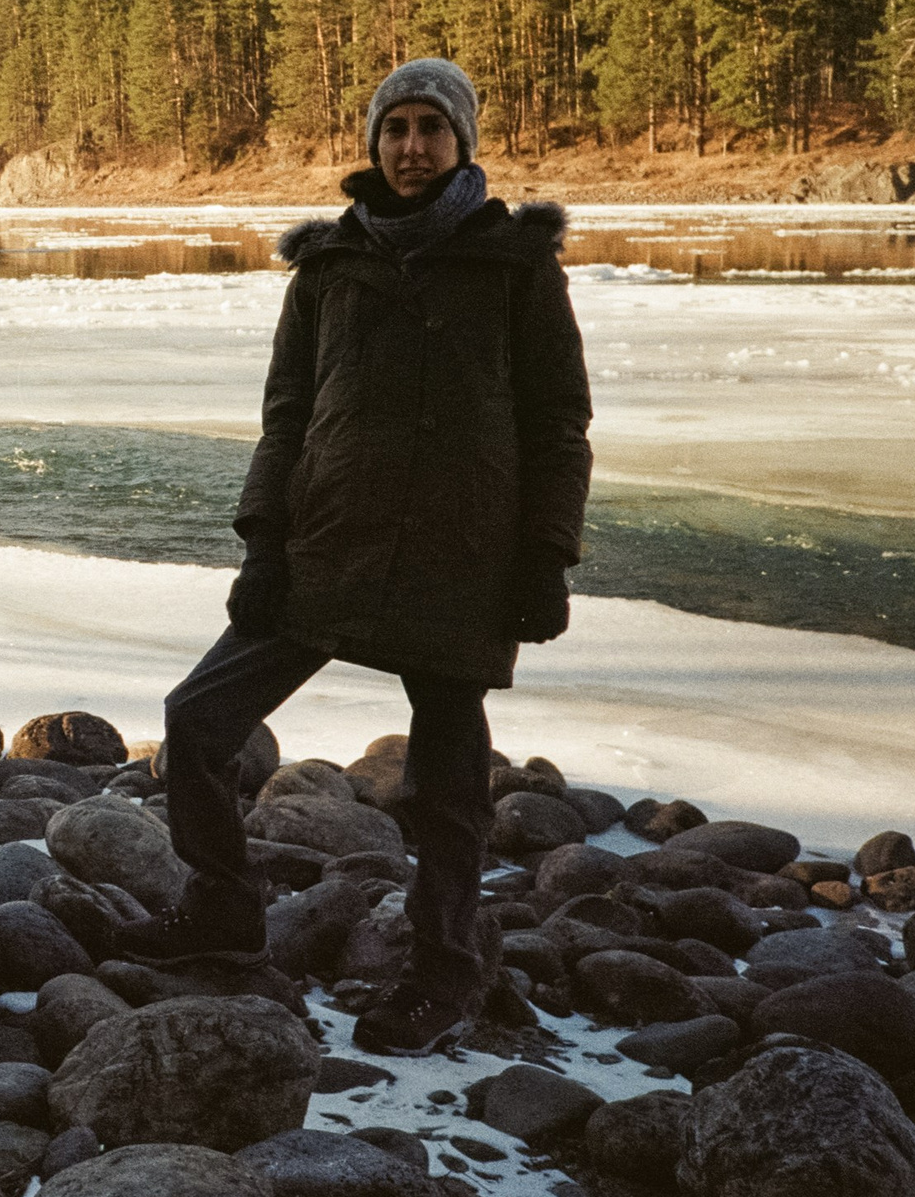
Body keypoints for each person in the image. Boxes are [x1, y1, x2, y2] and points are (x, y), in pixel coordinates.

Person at [115, 57, 593, 1057]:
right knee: (198, 720)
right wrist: (261, 540)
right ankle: (222, 907)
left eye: (430, 127)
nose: (411, 147)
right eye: (395, 128)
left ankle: (444, 969)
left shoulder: (513, 262)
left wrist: (545, 554)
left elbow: (558, 423)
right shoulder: (329, 265)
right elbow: (286, 415)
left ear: (461, 140)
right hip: (328, 541)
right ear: (371, 142)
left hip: (459, 555)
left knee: (446, 787)